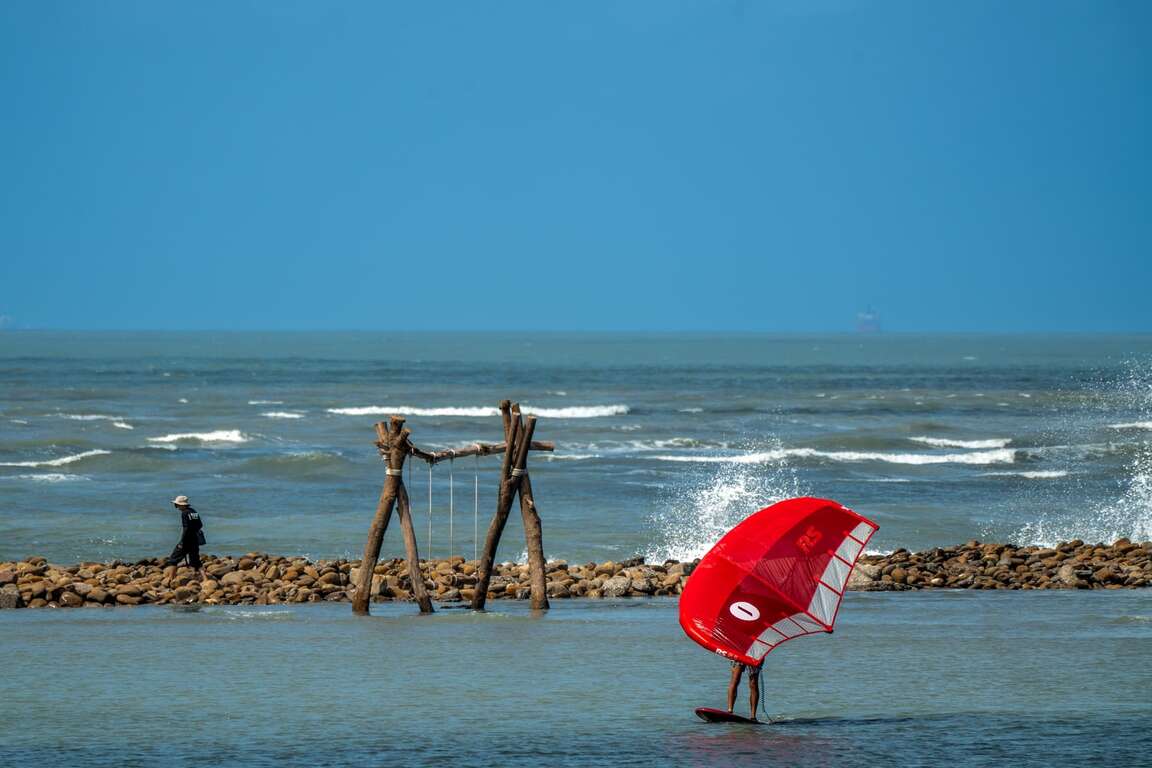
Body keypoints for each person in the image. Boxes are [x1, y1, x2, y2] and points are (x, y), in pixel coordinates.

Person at [165, 495, 205, 577]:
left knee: (173, 559)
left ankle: (170, 579)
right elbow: (200, 525)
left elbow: (186, 528)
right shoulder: (193, 511)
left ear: (181, 505)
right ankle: (205, 579)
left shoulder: (184, 513)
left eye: (176, 505)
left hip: (187, 540)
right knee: (196, 561)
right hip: (195, 540)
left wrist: (182, 542)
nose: (176, 507)